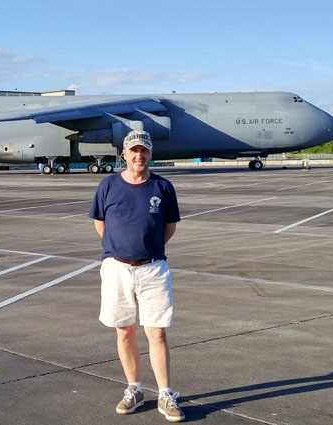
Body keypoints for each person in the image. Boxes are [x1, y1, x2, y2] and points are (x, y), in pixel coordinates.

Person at [88, 129, 184, 422]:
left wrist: (147, 250)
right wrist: (120, 252)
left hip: (153, 268)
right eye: (133, 151)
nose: (138, 156)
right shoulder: (108, 185)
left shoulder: (163, 187)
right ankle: (134, 388)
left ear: (150, 154)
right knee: (124, 329)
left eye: (144, 151)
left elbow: (169, 227)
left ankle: (165, 394)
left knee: (156, 331)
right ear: (125, 154)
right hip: (117, 267)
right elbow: (100, 223)